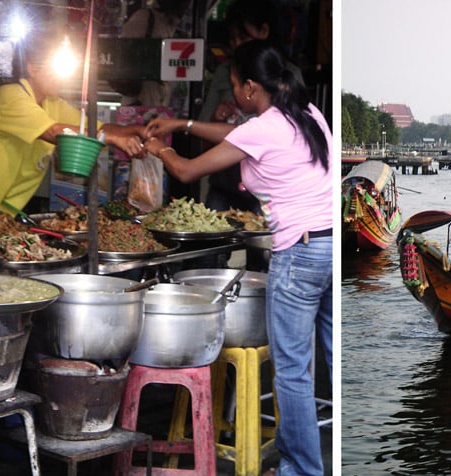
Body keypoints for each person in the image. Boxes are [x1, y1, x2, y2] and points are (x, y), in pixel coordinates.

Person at [143, 40, 332, 476]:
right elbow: (237, 136)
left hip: (298, 253)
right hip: (326, 248)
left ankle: (301, 471)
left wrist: (160, 149)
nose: (233, 94)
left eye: (233, 86)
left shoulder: (263, 128)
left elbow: (187, 172)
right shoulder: (306, 113)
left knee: (292, 374)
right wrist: (182, 123)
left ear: (250, 88)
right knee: (327, 358)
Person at [0, 29, 147, 223]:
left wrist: (140, 131)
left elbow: (97, 127)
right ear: (32, 67)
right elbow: (54, 132)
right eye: (54, 69)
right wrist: (115, 139)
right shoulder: (10, 97)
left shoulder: (52, 105)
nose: (61, 78)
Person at [198, 0, 304, 214]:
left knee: (263, 244)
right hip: (225, 182)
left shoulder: (288, 75)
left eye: (243, 37)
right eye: (233, 39)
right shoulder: (224, 73)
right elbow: (204, 132)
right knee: (214, 241)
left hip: (267, 189)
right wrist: (216, 118)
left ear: (264, 31)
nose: (237, 45)